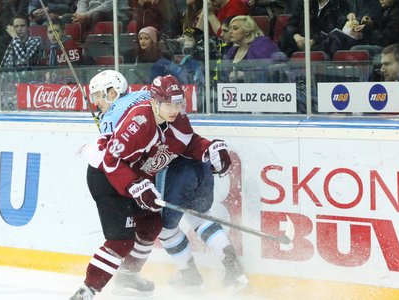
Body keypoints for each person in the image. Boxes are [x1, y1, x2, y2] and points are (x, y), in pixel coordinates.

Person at [72, 74, 233, 299]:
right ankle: (86, 291)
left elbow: (188, 142)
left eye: (178, 103)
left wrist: (211, 148)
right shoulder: (139, 121)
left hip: (132, 176)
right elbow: (111, 161)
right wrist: (136, 186)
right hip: (107, 177)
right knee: (121, 240)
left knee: (151, 225)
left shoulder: (173, 117)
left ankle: (128, 277)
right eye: (169, 103)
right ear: (154, 101)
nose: (175, 109)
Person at [225, 15, 281, 82]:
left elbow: (271, 70)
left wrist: (246, 75)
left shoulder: (262, 44)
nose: (230, 32)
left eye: (235, 28)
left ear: (247, 31)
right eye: (230, 28)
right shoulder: (232, 50)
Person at [44, 17, 82, 83]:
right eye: (50, 32)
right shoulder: (48, 49)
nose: (53, 35)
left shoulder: (71, 47)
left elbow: (77, 72)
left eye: (56, 31)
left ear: (64, 32)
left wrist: (57, 75)